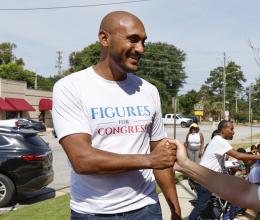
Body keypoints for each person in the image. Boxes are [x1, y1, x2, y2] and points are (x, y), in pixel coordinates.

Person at [52, 11, 180, 219]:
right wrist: (149, 160)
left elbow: (161, 156)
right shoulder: (71, 87)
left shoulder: (149, 91)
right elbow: (82, 160)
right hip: (93, 212)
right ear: (104, 38)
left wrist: (174, 208)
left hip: (146, 208)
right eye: (133, 40)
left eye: (143, 42)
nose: (141, 49)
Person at [189, 120, 260, 220]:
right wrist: (259, 157)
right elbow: (237, 155)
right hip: (205, 179)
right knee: (201, 206)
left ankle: (227, 216)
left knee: (232, 196)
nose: (233, 132)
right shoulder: (219, 140)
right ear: (223, 130)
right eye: (231, 129)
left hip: (209, 179)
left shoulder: (218, 139)